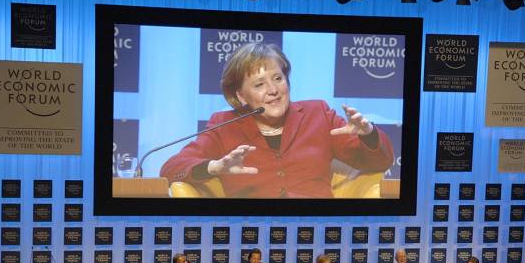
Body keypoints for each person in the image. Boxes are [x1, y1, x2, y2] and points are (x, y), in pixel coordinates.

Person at [160, 42, 394, 198]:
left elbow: (379, 163)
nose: (273, 90)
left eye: (277, 78)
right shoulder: (224, 125)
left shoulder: (318, 114)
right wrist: (215, 167)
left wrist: (369, 135)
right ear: (241, 96)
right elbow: (171, 169)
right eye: (259, 84)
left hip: (317, 227)